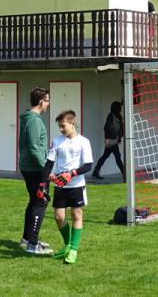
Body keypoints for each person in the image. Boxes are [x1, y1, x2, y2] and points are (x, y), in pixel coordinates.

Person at [41, 110, 93, 264]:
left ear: (72, 124)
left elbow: (88, 165)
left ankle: (73, 250)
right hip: (60, 185)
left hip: (77, 184)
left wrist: (72, 174)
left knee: (76, 215)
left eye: (63, 126)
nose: (61, 129)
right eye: (59, 127)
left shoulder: (84, 141)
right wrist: (45, 182)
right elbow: (49, 163)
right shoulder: (57, 141)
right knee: (59, 217)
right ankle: (67, 245)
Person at [18, 86, 53, 255]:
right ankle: (32, 244)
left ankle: (27, 238)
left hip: (31, 167)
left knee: (34, 201)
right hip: (34, 168)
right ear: (41, 102)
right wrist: (45, 168)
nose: (48, 103)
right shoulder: (33, 120)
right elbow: (33, 148)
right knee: (40, 202)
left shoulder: (31, 119)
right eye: (47, 100)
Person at [92, 101, 126, 180]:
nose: (120, 108)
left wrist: (119, 138)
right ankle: (125, 174)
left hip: (114, 140)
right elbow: (106, 128)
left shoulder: (119, 116)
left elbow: (119, 128)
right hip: (111, 140)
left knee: (106, 156)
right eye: (119, 107)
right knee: (117, 158)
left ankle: (95, 171)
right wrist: (106, 138)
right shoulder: (111, 116)